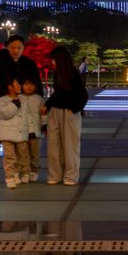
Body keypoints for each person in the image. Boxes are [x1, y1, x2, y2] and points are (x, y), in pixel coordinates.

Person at [43, 44, 88, 186]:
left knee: (70, 146)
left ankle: (70, 176)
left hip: (69, 113)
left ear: (60, 59)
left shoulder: (73, 73)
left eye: (54, 59)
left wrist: (73, 109)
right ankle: (55, 175)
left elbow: (83, 96)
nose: (52, 62)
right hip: (55, 112)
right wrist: (48, 105)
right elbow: (58, 94)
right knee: (53, 146)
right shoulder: (58, 74)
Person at [0, 76, 40, 187]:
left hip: (21, 133)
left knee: (22, 155)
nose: (20, 86)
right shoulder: (2, 100)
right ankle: (9, 177)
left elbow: (27, 116)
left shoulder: (22, 100)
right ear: (10, 87)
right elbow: (5, 114)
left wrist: (31, 130)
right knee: (9, 156)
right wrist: (14, 104)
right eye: (17, 84)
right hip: (7, 135)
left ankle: (20, 173)